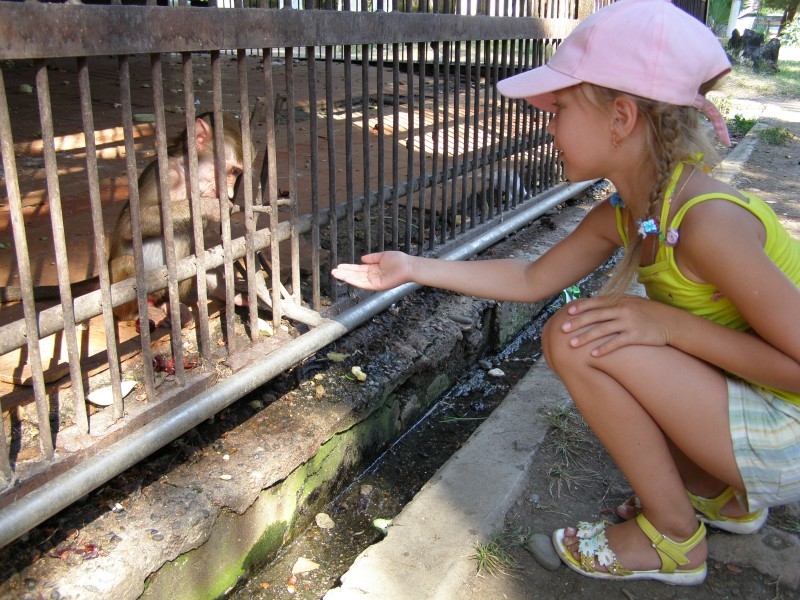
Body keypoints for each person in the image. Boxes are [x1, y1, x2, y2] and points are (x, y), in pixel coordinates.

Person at [332, 0, 800, 586]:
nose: (547, 125)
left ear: (621, 118)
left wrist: (672, 328)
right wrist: (413, 267)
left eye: (558, 109)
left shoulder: (705, 222)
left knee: (577, 335)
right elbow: (530, 279)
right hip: (760, 412)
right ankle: (722, 497)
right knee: (610, 325)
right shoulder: (633, 210)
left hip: (789, 431)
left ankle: (674, 540)